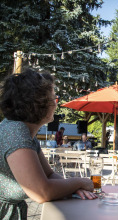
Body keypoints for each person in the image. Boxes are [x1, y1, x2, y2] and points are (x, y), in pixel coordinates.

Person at [0, 68, 97, 220]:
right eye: (54, 99)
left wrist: (73, 188)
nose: (56, 104)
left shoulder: (26, 133)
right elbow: (40, 192)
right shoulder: (15, 131)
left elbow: (49, 175)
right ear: (38, 104)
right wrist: (80, 182)